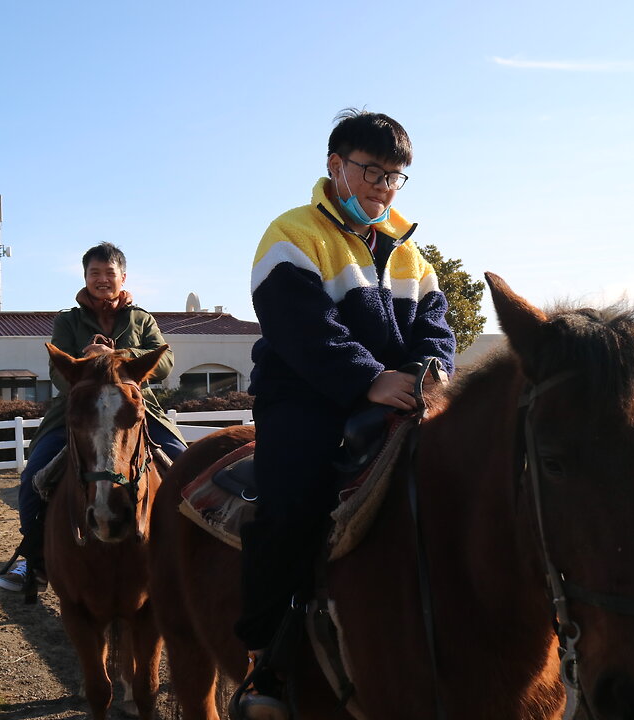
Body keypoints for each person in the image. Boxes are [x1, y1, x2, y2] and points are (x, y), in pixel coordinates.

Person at [234, 109, 457, 718]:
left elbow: (438, 327)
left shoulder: (411, 251)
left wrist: (430, 374)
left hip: (400, 396)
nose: (382, 187)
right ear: (335, 165)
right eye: (370, 171)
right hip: (305, 395)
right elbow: (301, 327)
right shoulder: (292, 233)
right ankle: (266, 663)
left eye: (393, 177)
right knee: (291, 502)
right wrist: (369, 379)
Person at [0, 242, 188, 596]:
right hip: (80, 410)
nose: (102, 280)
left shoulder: (142, 319)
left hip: (134, 408)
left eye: (109, 273)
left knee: (185, 465)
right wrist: (91, 369)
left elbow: (165, 362)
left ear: (122, 277)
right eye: (95, 273)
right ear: (85, 277)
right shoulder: (67, 321)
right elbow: (58, 369)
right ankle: (33, 560)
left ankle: (192, 554)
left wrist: (117, 356)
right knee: (32, 478)